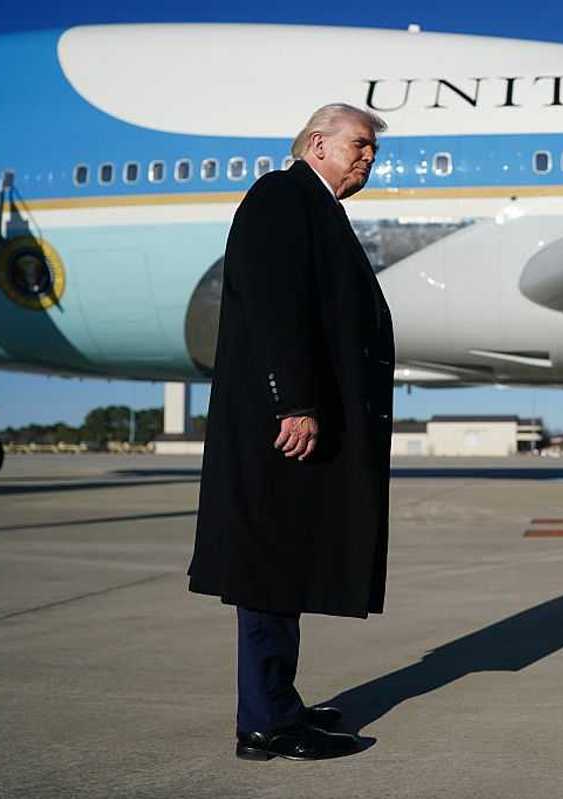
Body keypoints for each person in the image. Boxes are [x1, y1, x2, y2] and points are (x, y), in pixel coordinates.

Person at [188, 103, 393, 761]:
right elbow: (278, 305)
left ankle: (278, 701)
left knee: (284, 566)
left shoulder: (316, 207)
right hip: (282, 428)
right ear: (315, 142)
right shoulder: (282, 196)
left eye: (372, 151)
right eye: (359, 144)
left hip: (293, 424)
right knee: (270, 570)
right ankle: (266, 723)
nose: (368, 158)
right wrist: (295, 403)